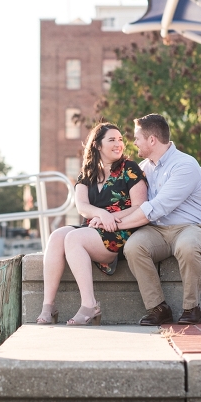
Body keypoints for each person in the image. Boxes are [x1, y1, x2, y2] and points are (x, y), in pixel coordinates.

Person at [36, 122, 148, 326]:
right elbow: (81, 206)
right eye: (112, 140)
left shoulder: (129, 169)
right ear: (97, 145)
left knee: (73, 238)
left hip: (120, 230)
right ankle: (48, 306)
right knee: (56, 237)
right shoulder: (88, 172)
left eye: (120, 139)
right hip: (94, 228)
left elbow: (141, 206)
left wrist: (111, 218)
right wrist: (101, 214)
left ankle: (90, 305)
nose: (118, 144)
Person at [113, 113, 201, 325]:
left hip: (188, 227)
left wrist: (116, 226)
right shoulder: (145, 168)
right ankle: (158, 308)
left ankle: (192, 308)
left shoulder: (185, 165)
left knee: (188, 246)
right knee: (133, 247)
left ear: (152, 140)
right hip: (157, 231)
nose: (134, 142)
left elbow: (158, 207)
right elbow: (133, 204)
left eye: (137, 138)